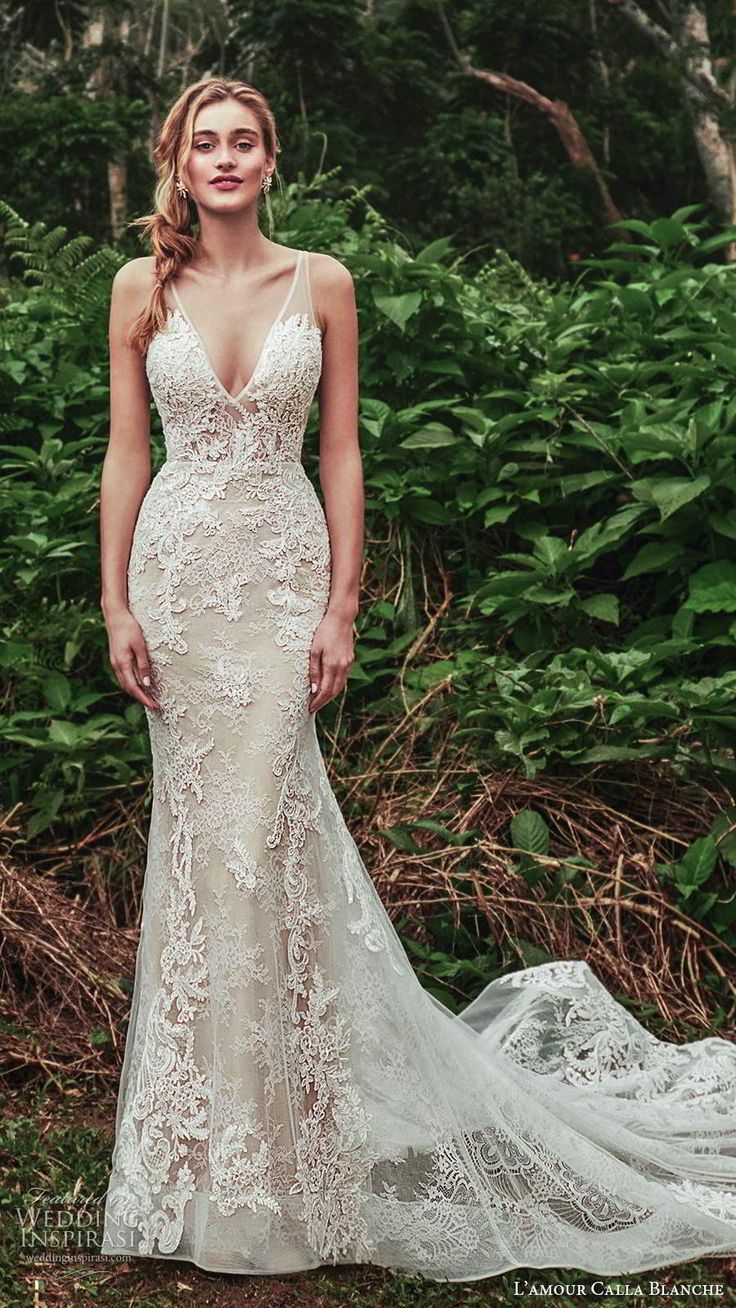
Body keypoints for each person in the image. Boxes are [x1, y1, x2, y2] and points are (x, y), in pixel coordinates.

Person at [98, 76, 736, 1282]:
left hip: (282, 582)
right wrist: (118, 601)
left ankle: (295, 1161)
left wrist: (342, 605)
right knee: (204, 853)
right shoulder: (140, 288)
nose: (223, 160)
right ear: (177, 165)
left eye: (243, 142)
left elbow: (340, 451)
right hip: (180, 587)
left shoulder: (322, 281)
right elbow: (127, 452)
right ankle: (199, 1170)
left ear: (271, 159)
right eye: (203, 145)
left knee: (266, 843)